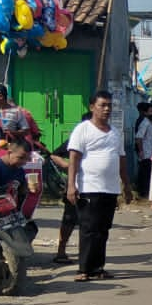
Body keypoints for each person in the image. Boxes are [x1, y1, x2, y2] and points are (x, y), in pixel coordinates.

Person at [65, 91, 132, 282]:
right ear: (92, 107)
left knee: (103, 229)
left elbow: (121, 161)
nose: (107, 109)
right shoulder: (83, 130)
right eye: (103, 105)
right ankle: (84, 269)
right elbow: (74, 159)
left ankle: (97, 268)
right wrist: (71, 185)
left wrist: (126, 186)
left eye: (109, 105)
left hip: (109, 189)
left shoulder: (115, 133)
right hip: (89, 187)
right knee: (89, 229)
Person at [48, 112, 91, 265]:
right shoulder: (76, 140)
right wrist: (68, 166)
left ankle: (87, 256)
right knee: (69, 219)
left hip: (95, 187)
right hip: (76, 185)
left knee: (90, 222)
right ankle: (61, 251)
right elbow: (53, 155)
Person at [0, 83, 42, 150]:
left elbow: (27, 131)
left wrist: (13, 133)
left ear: (0, 97)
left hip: (12, 148)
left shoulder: (18, 112)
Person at [134, 101, 152, 200]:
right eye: (150, 111)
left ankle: (145, 192)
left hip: (150, 153)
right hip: (146, 153)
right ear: (145, 112)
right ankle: (143, 193)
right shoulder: (145, 123)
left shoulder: (149, 122)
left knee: (147, 174)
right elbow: (138, 138)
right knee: (144, 175)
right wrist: (140, 151)